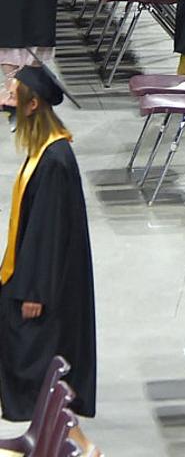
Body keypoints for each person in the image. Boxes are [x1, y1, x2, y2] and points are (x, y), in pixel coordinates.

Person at [0, 64, 99, 456]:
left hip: (45, 288)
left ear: (32, 105)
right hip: (32, 274)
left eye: (11, 95)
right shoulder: (46, 150)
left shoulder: (55, 160)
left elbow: (49, 234)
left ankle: (77, 442)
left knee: (38, 356)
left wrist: (32, 290)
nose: (5, 100)